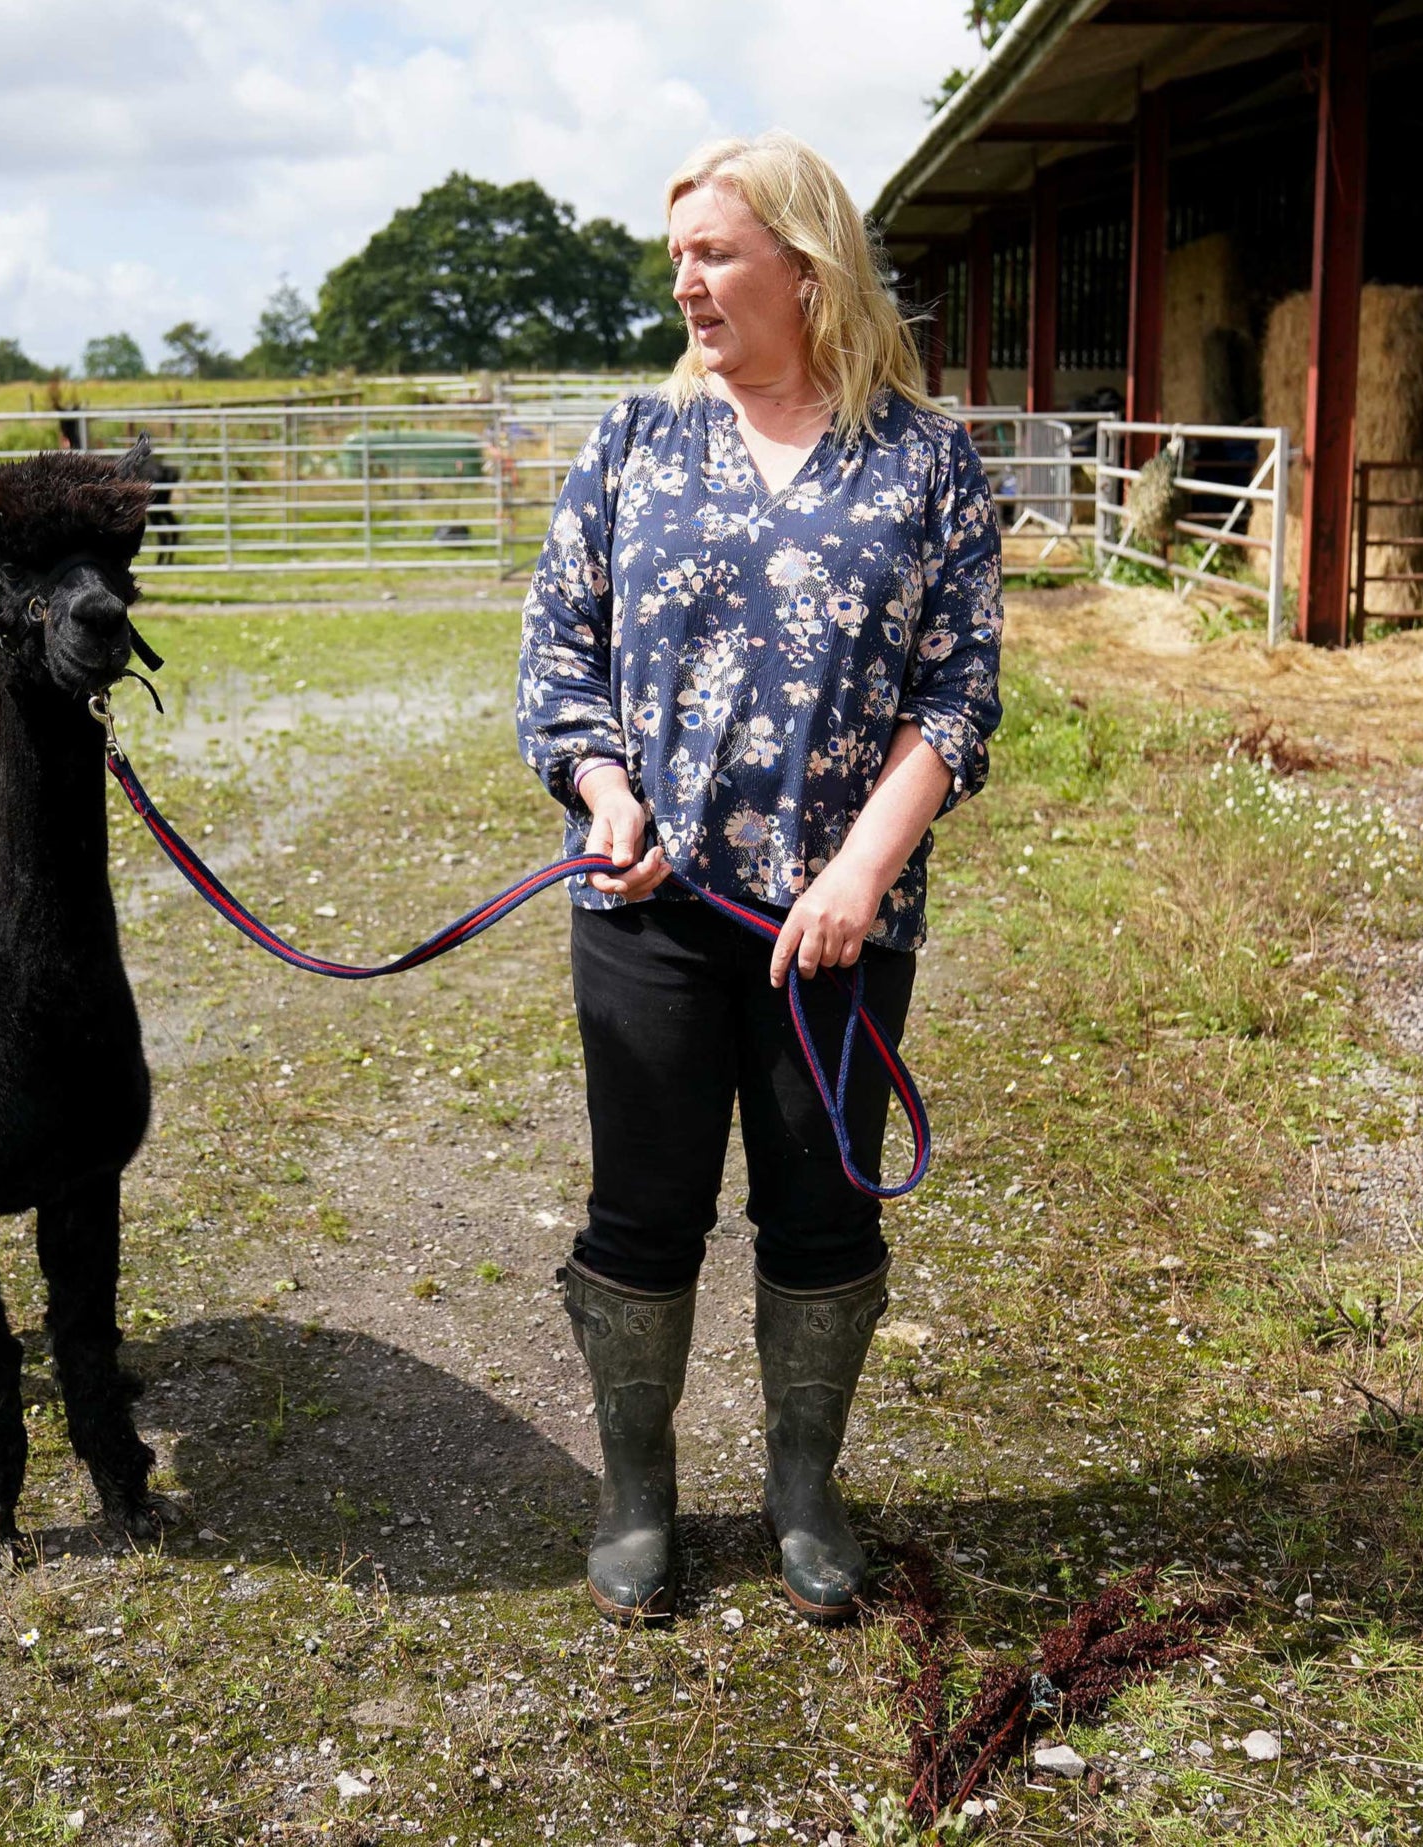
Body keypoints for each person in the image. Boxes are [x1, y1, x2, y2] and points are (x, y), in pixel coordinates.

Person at [515, 131, 1002, 1626]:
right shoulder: (630, 447)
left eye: (715, 253)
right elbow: (559, 661)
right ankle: (638, 1491)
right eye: (679, 258)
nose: (689, 282)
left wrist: (861, 869)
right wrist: (605, 793)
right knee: (643, 1214)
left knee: (823, 1218)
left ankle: (803, 1486)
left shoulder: (926, 459)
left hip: (839, 932)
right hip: (650, 914)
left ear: (808, 264)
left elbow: (959, 694)